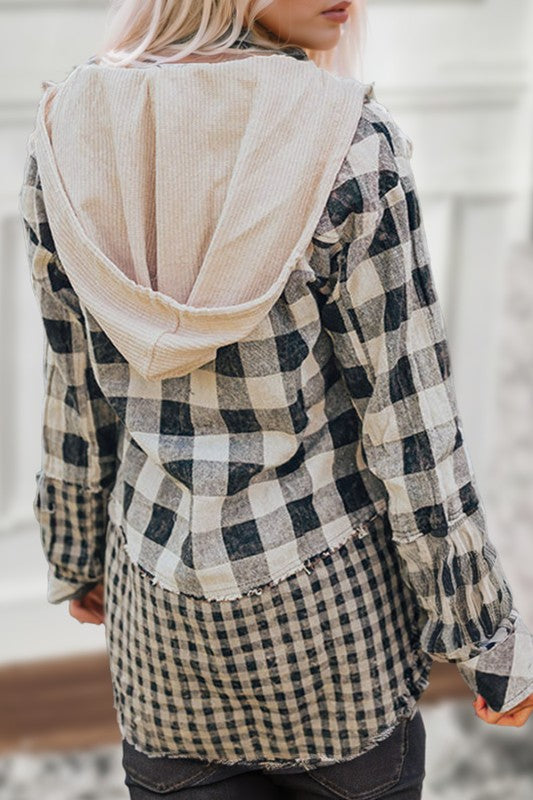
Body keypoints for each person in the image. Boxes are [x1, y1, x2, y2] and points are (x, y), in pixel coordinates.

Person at [19, 1, 533, 798]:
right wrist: (484, 637)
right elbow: (409, 426)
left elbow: (73, 386)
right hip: (335, 636)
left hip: (160, 633)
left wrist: (74, 552)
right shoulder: (347, 140)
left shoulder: (65, 132)